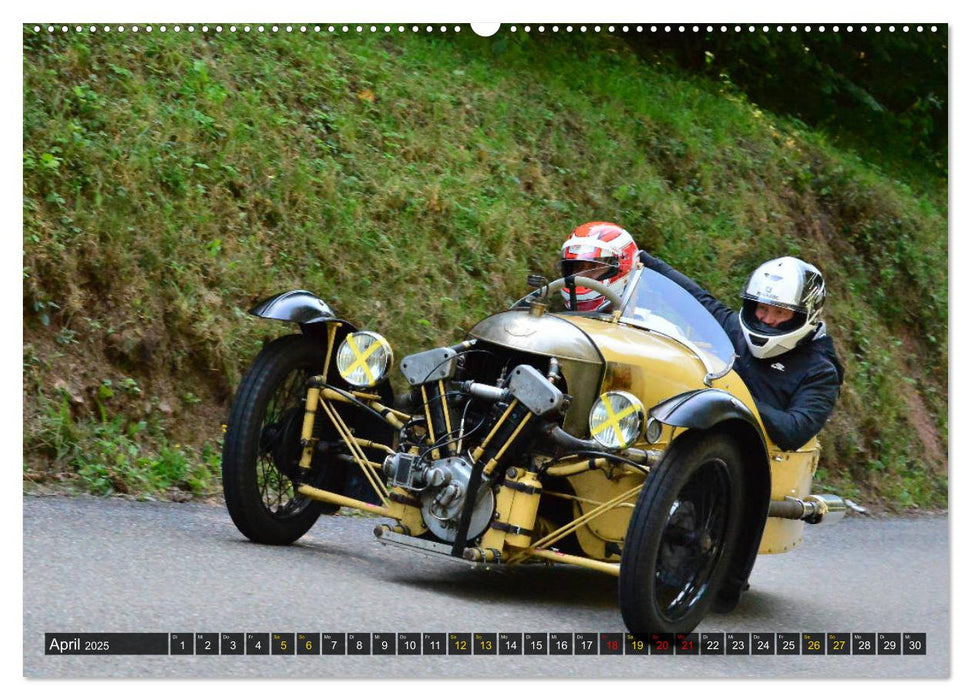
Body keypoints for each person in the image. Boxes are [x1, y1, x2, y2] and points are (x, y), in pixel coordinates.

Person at [638, 251, 844, 451]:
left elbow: (794, 430)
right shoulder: (737, 330)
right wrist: (642, 257)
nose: (768, 319)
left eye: (780, 312)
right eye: (762, 309)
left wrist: (728, 394)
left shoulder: (820, 371)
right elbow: (696, 299)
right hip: (694, 444)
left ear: (805, 315)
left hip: (753, 465)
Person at [558, 222, 639, 312]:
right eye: (577, 266)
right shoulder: (554, 322)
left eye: (593, 266)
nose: (580, 276)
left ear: (622, 269)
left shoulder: (642, 322)